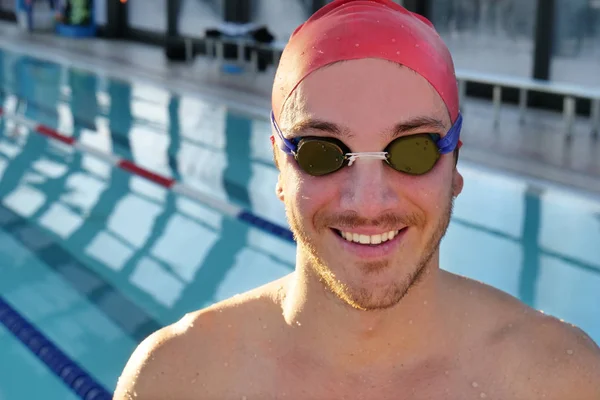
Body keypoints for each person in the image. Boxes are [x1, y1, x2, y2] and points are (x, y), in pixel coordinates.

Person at [114, 0, 600, 398]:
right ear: (280, 166)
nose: (368, 203)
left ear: (455, 165)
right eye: (322, 152)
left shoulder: (559, 380)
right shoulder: (175, 378)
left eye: (413, 150)